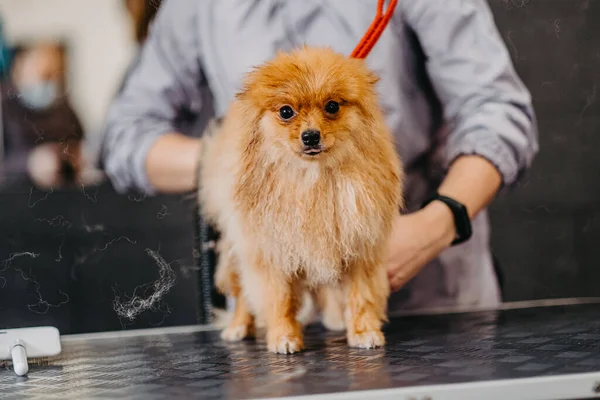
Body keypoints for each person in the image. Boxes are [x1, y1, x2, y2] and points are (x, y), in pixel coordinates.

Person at [101, 0, 539, 312]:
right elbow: (125, 134)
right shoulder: (196, 7)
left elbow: (498, 111)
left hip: (420, 282)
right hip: (273, 288)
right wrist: (234, 162)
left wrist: (437, 223)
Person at [0, 42, 86, 188]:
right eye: (39, 74)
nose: (44, 82)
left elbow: (83, 145)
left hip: (64, 193)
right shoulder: (5, 110)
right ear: (19, 72)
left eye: (50, 75)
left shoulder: (64, 107)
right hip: (18, 196)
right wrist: (30, 163)